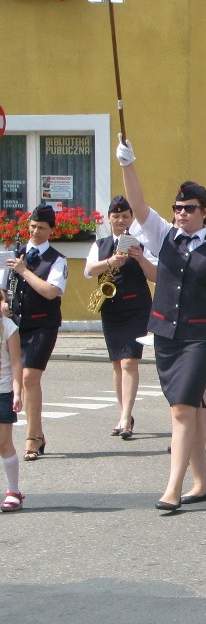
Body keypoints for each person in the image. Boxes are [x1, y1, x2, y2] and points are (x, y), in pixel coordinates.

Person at [116, 136, 206, 511]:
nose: (181, 213)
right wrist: (129, 165)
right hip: (166, 335)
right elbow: (139, 206)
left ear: (204, 211)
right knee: (187, 407)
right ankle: (200, 483)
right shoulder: (166, 237)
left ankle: (172, 488)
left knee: (180, 409)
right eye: (177, 207)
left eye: (189, 208)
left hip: (200, 337)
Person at [84, 195, 157, 438]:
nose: (120, 220)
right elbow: (88, 271)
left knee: (129, 361)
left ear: (131, 218)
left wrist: (140, 257)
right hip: (111, 309)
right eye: (116, 216)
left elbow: (155, 276)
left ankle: (126, 417)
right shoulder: (101, 244)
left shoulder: (142, 244)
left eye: (125, 216)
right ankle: (123, 413)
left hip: (136, 308)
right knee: (117, 363)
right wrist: (109, 261)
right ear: (109, 218)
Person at [2, 205, 66, 462]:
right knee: (23, 378)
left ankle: (30, 438)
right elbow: (3, 289)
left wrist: (24, 271)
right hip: (17, 324)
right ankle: (38, 434)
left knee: (29, 377)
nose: (35, 231)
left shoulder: (57, 259)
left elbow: (51, 291)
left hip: (43, 324)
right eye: (32, 226)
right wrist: (3, 304)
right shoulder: (15, 254)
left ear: (51, 230)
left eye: (41, 228)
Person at [0, 291, 24, 511]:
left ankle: (14, 491)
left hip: (3, 391)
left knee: (3, 443)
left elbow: (17, 363)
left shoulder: (8, 327)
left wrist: (17, 392)